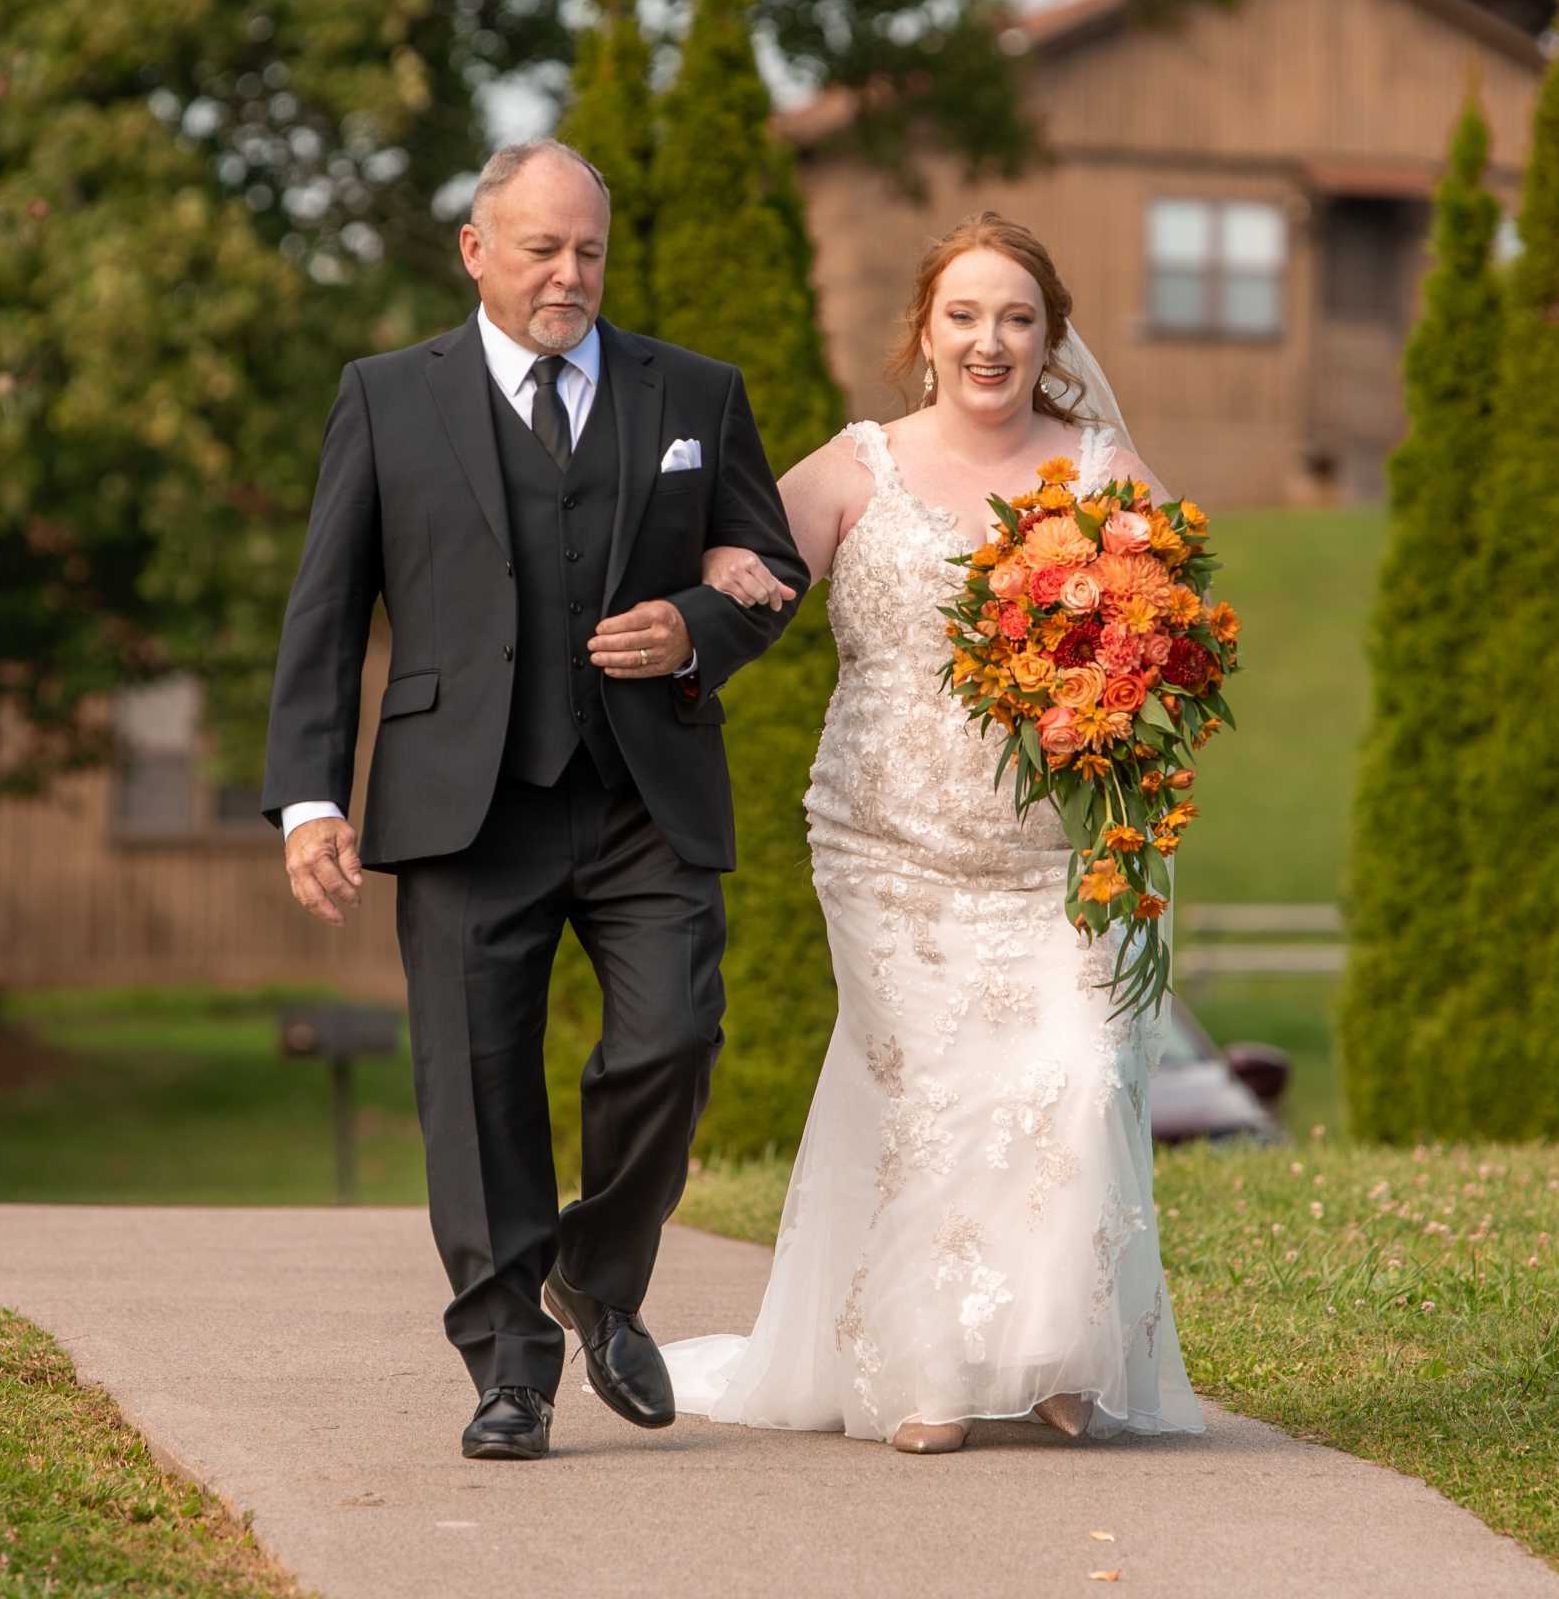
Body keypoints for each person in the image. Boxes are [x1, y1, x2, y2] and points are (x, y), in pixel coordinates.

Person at [260, 137, 808, 1461]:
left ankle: (599, 1272)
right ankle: (510, 1366)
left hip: (643, 796)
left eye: (588, 251)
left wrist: (691, 629)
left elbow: (771, 569)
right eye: (542, 249)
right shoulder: (389, 399)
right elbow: (329, 609)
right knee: (477, 1088)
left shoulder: (695, 393)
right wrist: (306, 800)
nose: (569, 274)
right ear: (477, 251)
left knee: (672, 1038)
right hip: (465, 804)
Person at [663, 210, 1206, 1454]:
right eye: (963, 313)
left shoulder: (1099, 466)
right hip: (885, 841)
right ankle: (918, 1370)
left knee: (1071, 1079)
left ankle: (1058, 1353)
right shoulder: (857, 467)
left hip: (1054, 852)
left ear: (1049, 337)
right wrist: (683, 619)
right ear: (923, 331)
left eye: (1016, 316)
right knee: (932, 1085)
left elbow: (1178, 627)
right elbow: (739, 579)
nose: (988, 339)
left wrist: (1119, 669)